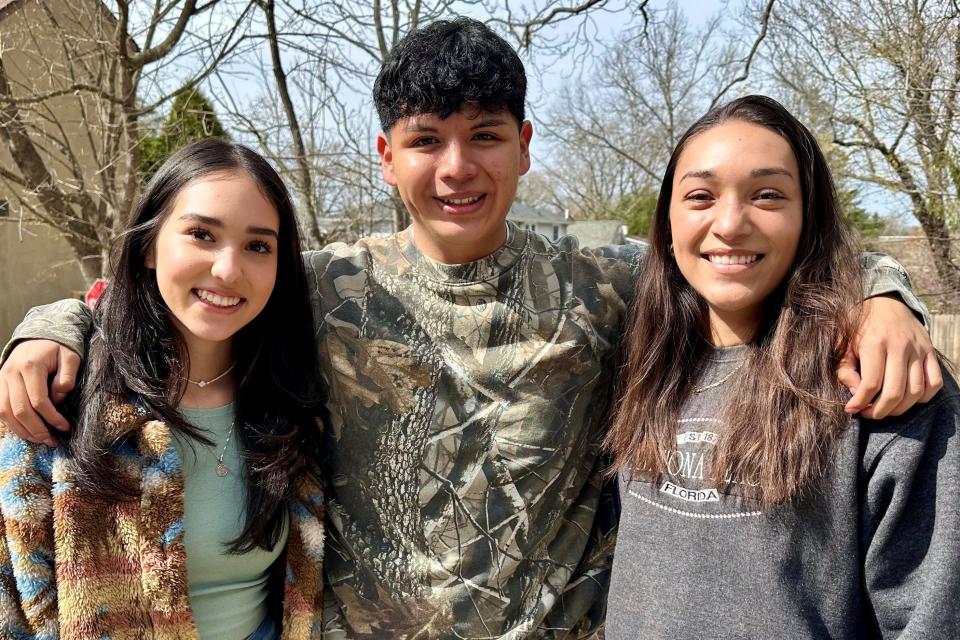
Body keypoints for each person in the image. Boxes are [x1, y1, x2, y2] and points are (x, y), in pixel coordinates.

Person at [0, 21, 942, 639]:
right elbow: (158, 292)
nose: (457, 166)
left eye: (485, 135)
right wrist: (46, 335)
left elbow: (736, 256)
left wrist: (884, 293)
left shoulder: (612, 285)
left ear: (526, 146)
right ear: (385, 157)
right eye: (425, 139)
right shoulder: (319, 286)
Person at [603, 95, 960, 638]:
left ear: (807, 214)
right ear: (667, 221)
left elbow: (933, 616)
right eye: (700, 196)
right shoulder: (639, 359)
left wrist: (881, 294)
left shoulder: (880, 380)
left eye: (768, 195)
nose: (730, 223)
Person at [0, 139, 327, 640]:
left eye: (258, 245)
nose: (227, 269)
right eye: (201, 234)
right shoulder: (58, 395)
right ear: (149, 246)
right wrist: (49, 323)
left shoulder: (293, 402)